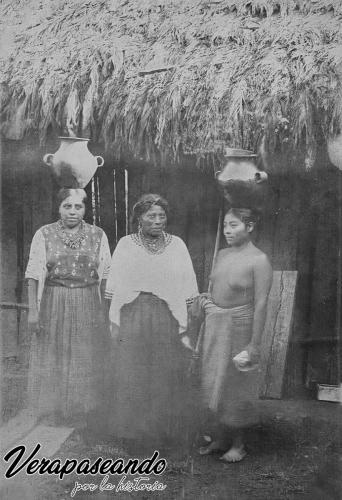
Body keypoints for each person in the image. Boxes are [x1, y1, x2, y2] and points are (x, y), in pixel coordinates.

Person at [105, 193, 198, 448]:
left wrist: (189, 318)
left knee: (163, 372)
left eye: (161, 216)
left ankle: (160, 435)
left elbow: (188, 282)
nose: (157, 221)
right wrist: (114, 321)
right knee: (132, 372)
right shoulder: (126, 244)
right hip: (133, 315)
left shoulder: (177, 245)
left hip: (166, 316)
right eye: (151, 216)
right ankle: (132, 436)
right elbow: (114, 285)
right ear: (139, 219)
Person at [25, 188, 111, 427]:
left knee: (84, 355)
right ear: (59, 208)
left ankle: (81, 409)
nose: (72, 212)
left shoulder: (98, 235)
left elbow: (105, 276)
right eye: (67, 206)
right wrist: (33, 310)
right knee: (55, 353)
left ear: (85, 209)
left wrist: (104, 310)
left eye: (78, 207)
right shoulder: (44, 234)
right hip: (55, 300)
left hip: (87, 301)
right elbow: (33, 274)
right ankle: (54, 409)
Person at [199, 207, 272, 462]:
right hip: (216, 325)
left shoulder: (259, 260)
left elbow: (261, 303)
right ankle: (220, 438)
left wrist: (254, 344)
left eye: (234, 226)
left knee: (237, 386)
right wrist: (208, 303)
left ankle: (238, 445)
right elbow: (214, 286)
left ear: (250, 227)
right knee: (215, 382)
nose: (227, 231)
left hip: (241, 326)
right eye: (225, 226)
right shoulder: (222, 254)